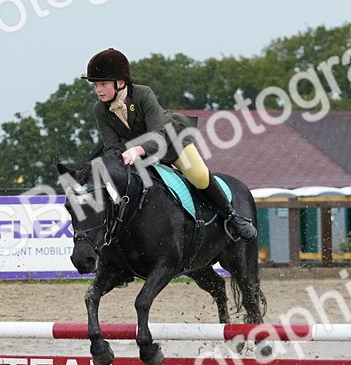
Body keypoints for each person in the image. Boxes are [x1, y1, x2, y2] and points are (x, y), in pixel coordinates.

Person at [83, 48, 257, 241]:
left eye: (103, 84)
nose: (98, 89)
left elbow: (157, 136)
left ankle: (232, 217)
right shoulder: (99, 109)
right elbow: (111, 146)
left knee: (199, 176)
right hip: (138, 153)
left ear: (120, 82)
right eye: (96, 84)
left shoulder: (143, 94)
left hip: (170, 142)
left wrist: (136, 150)